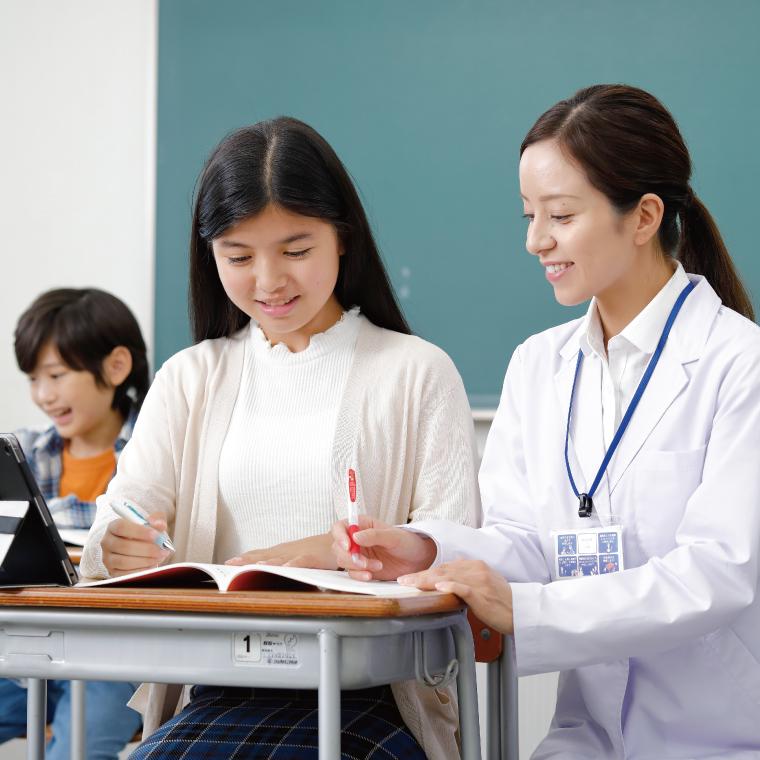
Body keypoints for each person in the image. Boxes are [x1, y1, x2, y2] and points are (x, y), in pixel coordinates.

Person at [332, 84, 760, 759]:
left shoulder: (740, 364)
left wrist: (529, 612)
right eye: (529, 214)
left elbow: (719, 573)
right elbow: (526, 542)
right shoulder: (540, 364)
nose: (535, 241)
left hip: (715, 740)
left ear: (644, 215)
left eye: (560, 215)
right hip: (583, 741)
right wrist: (428, 548)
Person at [79, 117, 480, 759]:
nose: (268, 281)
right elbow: (116, 529)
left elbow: (457, 558)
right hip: (215, 692)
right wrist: (119, 547)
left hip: (370, 697)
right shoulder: (191, 377)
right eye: (238, 257)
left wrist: (339, 552)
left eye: (296, 251)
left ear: (342, 239)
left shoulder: (415, 371)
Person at [0, 288, 149, 760]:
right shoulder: (24, 453)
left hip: (117, 658)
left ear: (116, 366)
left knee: (74, 751)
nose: (44, 394)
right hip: (32, 651)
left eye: (57, 375)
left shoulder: (153, 455)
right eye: (34, 379)